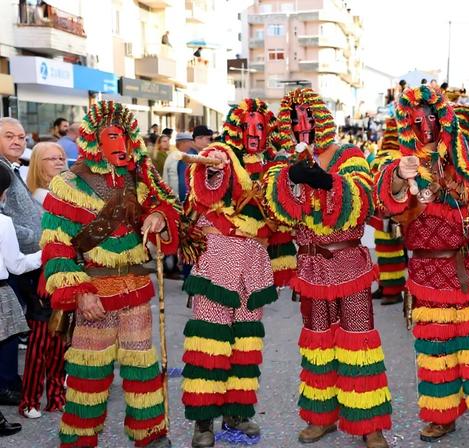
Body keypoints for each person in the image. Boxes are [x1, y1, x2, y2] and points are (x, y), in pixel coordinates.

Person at [41, 101, 181, 447]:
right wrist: (80, 291)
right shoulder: (68, 184)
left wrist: (160, 217)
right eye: (113, 136)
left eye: (127, 136)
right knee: (89, 373)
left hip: (135, 287)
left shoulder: (140, 177)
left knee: (143, 367)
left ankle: (150, 434)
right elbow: (56, 246)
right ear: (95, 140)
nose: (123, 144)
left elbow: (166, 207)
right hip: (95, 294)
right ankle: (78, 441)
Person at [374, 85, 469, 446]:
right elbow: (386, 202)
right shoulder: (397, 166)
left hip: (466, 272)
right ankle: (441, 416)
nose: (426, 125)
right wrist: (402, 176)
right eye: (417, 119)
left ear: (445, 121)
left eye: (432, 116)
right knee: (434, 353)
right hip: (423, 275)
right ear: (406, 123)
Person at [265, 87, 391, 448]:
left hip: (348, 262)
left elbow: (364, 198)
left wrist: (326, 180)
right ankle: (321, 416)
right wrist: (289, 178)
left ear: (320, 119)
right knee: (317, 342)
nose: (300, 125)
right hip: (310, 265)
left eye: (306, 118)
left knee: (358, 341)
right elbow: (275, 210)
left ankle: (369, 423)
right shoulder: (285, 160)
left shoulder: (349, 154)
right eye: (293, 119)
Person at [180, 98, 278, 447]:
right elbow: (204, 186)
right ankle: (203, 421)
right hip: (218, 257)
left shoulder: (274, 167)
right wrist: (215, 167)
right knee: (209, 342)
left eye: (261, 126)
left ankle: (237, 411)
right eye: (248, 126)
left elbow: (283, 220)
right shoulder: (222, 153)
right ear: (237, 128)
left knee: (246, 344)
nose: (254, 133)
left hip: (254, 261)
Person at [18, 141, 68, 419]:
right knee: (40, 341)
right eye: (52, 158)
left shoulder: (65, 191)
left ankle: (56, 396)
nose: (59, 162)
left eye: (61, 157)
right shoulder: (39, 194)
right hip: (41, 273)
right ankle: (30, 400)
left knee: (60, 339)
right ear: (39, 163)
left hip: (64, 270)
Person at [0, 117, 43, 405]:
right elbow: (4, 221)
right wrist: (35, 237)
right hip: (13, 261)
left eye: (21, 136)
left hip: (23, 255)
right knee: (8, 330)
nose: (18, 141)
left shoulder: (11, 167)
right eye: (9, 136)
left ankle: (10, 381)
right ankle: (7, 384)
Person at [368, 118, 407, 306]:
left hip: (391, 213)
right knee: (383, 251)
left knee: (391, 251)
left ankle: (394, 290)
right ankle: (385, 285)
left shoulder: (394, 157)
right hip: (381, 212)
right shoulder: (387, 155)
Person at [163, 132, 194, 199]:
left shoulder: (189, 156)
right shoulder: (173, 157)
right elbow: (166, 178)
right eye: (189, 142)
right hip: (176, 197)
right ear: (182, 143)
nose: (191, 145)